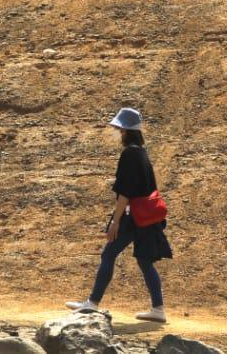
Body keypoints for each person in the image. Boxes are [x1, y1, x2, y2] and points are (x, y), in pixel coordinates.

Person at [66, 108, 172, 322]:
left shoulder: (129, 154)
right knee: (144, 261)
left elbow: (124, 192)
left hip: (133, 216)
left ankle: (92, 303)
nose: (115, 132)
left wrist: (115, 221)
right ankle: (158, 309)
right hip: (147, 216)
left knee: (109, 254)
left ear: (125, 131)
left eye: (117, 129)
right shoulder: (142, 152)